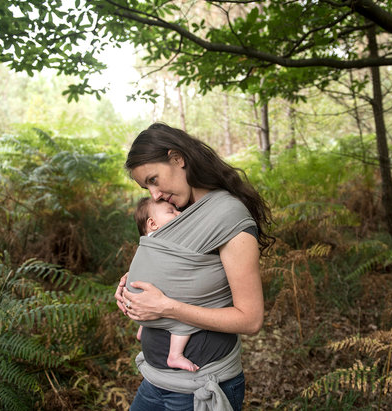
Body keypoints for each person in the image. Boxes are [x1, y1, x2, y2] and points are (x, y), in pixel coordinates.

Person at [115, 122, 273, 411]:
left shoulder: (227, 216)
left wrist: (165, 307)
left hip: (199, 388)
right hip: (154, 380)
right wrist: (131, 283)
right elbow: (177, 268)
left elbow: (251, 319)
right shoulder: (180, 213)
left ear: (178, 159)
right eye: (145, 187)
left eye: (154, 179)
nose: (154, 195)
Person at [131, 197, 199, 372]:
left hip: (139, 294)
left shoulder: (146, 243)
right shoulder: (170, 238)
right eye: (171, 211)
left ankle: (143, 328)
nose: (179, 213)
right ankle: (175, 355)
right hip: (157, 291)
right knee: (185, 320)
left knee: (150, 294)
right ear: (153, 224)